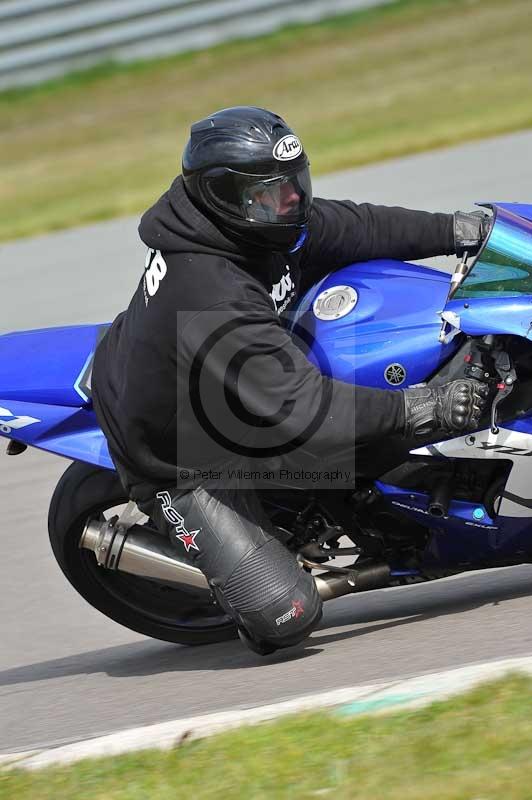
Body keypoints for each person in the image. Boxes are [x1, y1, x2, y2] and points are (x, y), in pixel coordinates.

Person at [92, 106, 489, 654]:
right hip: (183, 456)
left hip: (231, 389)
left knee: (384, 405)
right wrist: (428, 408)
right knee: (289, 616)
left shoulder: (255, 223)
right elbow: (305, 410)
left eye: (294, 182)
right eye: (270, 192)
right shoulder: (211, 291)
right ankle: (201, 546)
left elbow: (356, 227)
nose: (292, 201)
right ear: (222, 194)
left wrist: (460, 231)